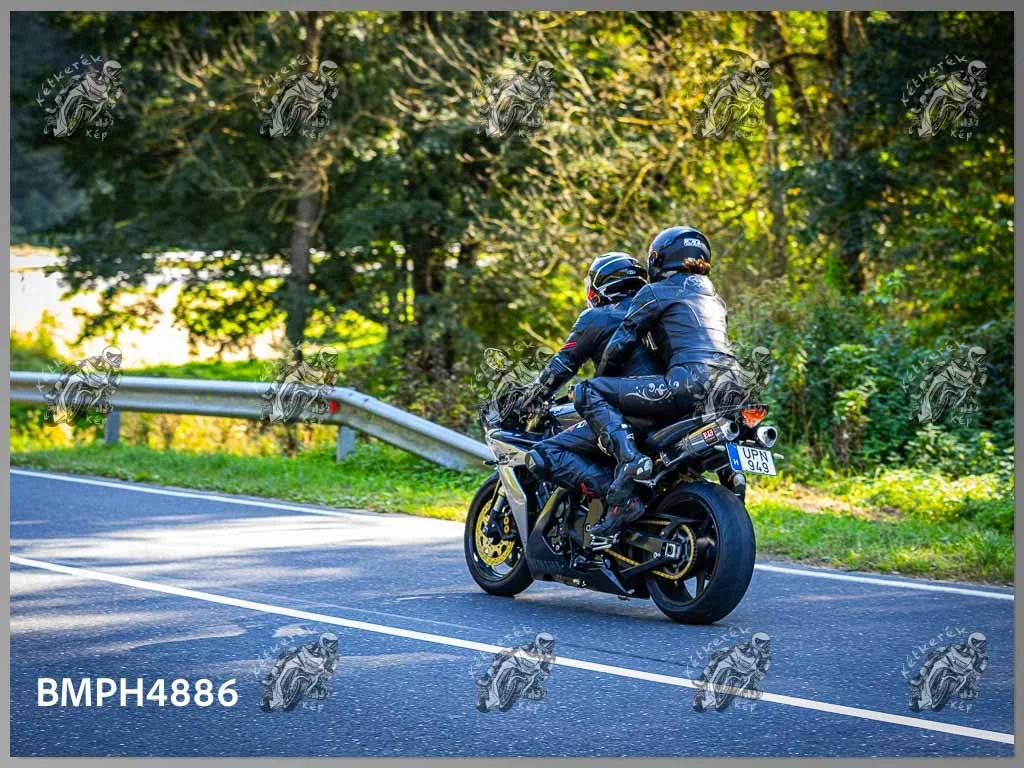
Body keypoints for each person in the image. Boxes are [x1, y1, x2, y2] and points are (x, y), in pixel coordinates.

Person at [574, 226, 741, 536]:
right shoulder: (714, 299)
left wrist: (606, 382)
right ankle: (733, 480)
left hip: (687, 384)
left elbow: (620, 344)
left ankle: (630, 464)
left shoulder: (655, 292)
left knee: (586, 390)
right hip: (733, 388)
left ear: (659, 259)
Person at [514, 253, 663, 507]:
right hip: (672, 406)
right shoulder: (659, 313)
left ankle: (620, 499)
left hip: (631, 414)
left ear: (599, 288)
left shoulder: (596, 317)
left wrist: (526, 401)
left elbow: (561, 367)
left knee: (544, 453)